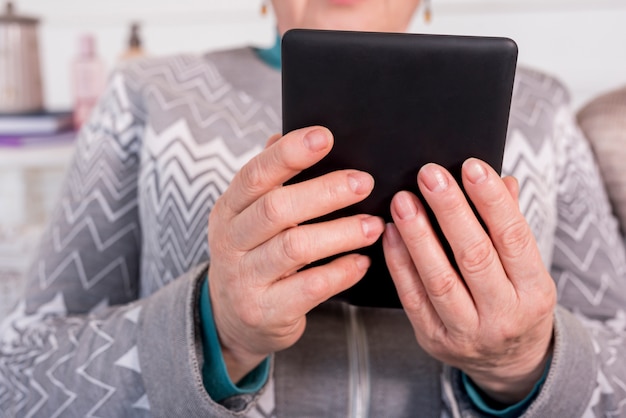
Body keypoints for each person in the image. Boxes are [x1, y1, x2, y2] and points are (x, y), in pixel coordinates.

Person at [1, 1, 625, 416]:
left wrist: (525, 365)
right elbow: (20, 373)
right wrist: (213, 332)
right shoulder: (149, 95)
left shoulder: (540, 106)